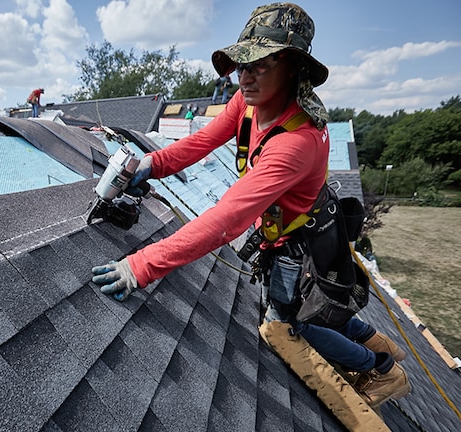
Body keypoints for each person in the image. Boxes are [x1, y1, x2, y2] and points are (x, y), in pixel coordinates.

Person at [91, 2, 410, 408]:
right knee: (319, 302)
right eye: (243, 64)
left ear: (293, 67)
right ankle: (374, 340)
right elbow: (201, 142)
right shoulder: (248, 104)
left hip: (303, 242)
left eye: (261, 64)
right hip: (301, 224)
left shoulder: (297, 141)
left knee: (293, 320)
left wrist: (139, 267)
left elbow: (226, 220)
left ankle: (382, 367)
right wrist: (152, 163)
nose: (246, 75)